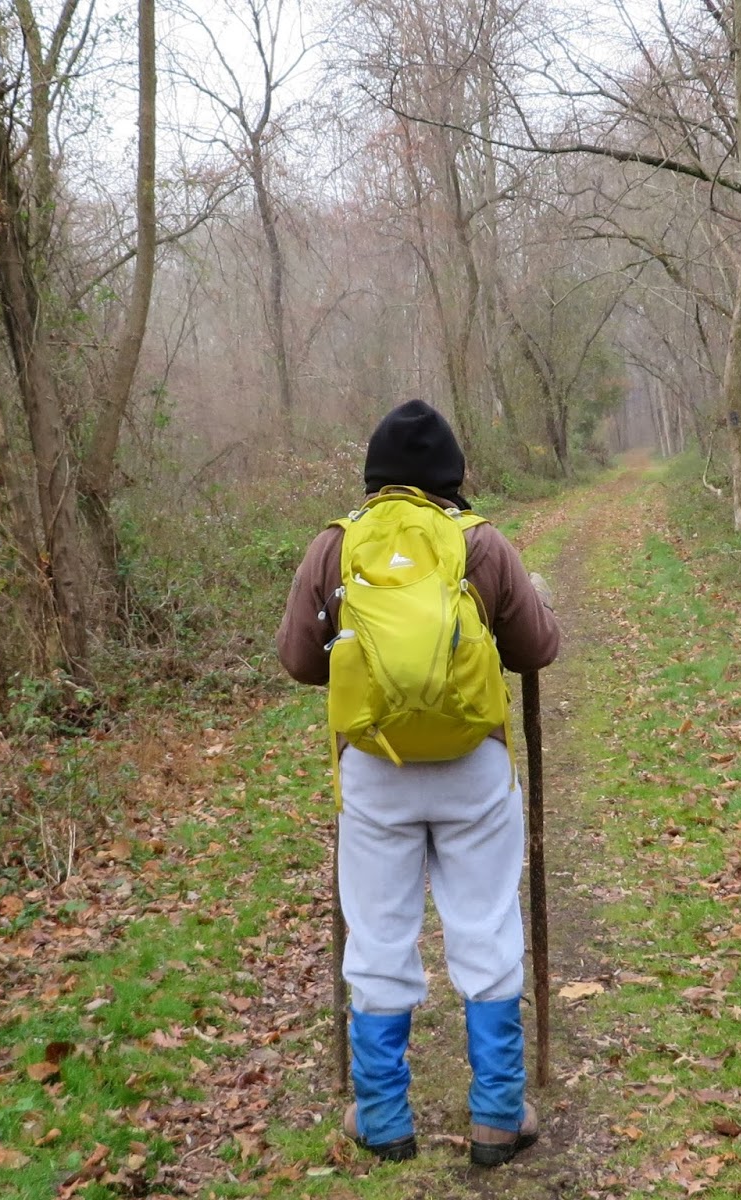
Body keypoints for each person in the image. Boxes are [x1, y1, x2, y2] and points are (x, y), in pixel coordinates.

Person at [276, 399, 560, 1167]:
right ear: (452, 477)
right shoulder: (483, 544)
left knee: (378, 937)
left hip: (375, 774)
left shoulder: (334, 548)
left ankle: (382, 1117)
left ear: (373, 476)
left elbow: (300, 662)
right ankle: (498, 1114)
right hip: (474, 768)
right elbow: (536, 650)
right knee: (485, 925)